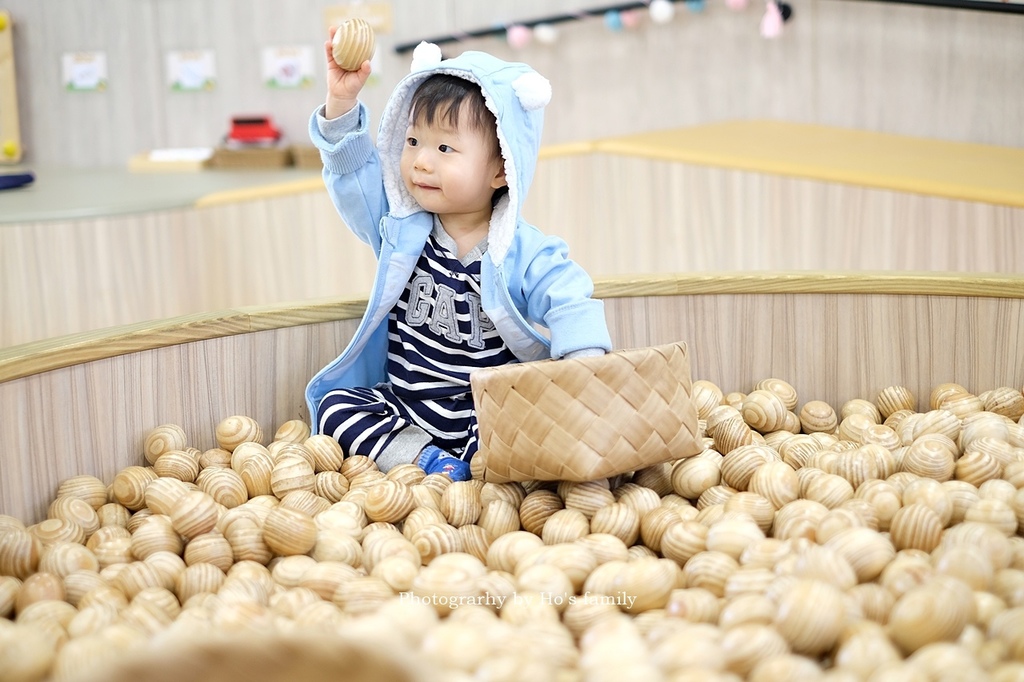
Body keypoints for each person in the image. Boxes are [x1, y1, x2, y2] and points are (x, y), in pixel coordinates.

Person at [304, 32, 611, 481]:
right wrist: (341, 101)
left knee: (536, 432)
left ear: (501, 169)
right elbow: (353, 173)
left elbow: (569, 298)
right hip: (405, 406)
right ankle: (428, 462)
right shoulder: (400, 226)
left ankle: (475, 464)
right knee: (337, 406)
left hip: (487, 414)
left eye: (445, 148)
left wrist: (583, 370)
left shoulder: (522, 250)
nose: (422, 162)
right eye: (413, 141)